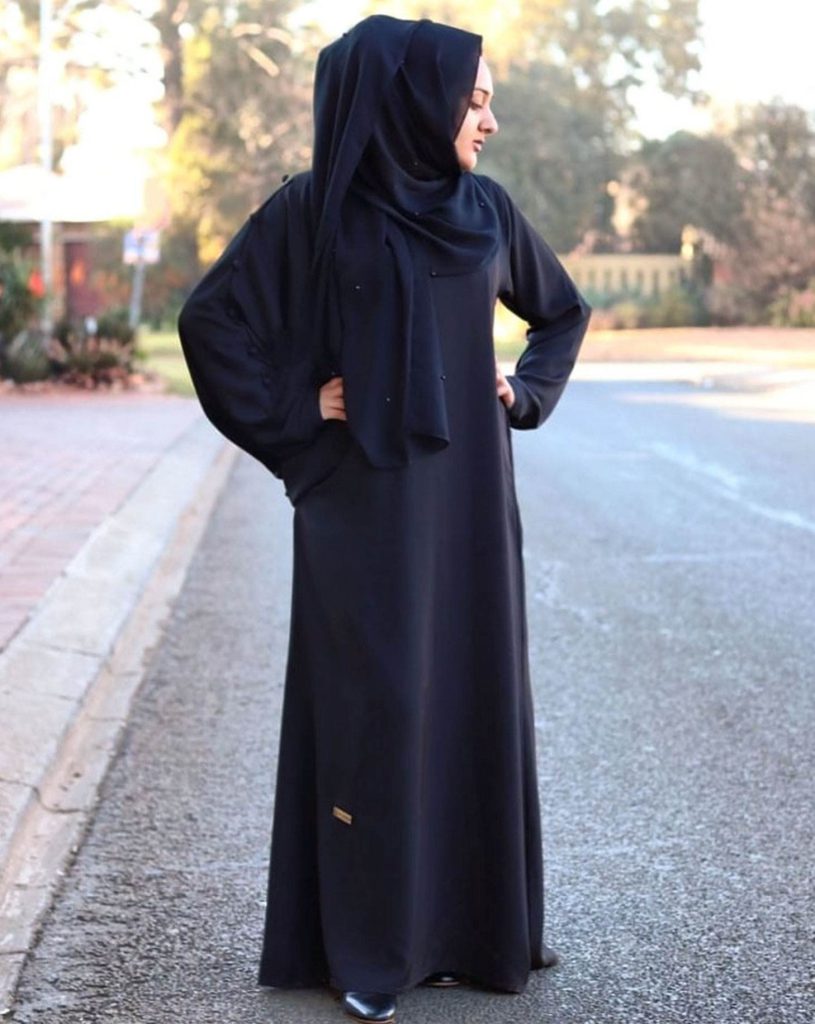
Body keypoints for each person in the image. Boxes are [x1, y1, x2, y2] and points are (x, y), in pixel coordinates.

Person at [178, 14, 591, 1024]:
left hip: (468, 512)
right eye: (473, 99)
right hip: (359, 513)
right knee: (377, 714)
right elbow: (210, 320)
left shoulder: (483, 211)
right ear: (414, 100)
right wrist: (296, 409)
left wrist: (522, 390)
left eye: (487, 100)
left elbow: (560, 311)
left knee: (466, 698)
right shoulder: (313, 210)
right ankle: (370, 949)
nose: (487, 120)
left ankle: (469, 933)